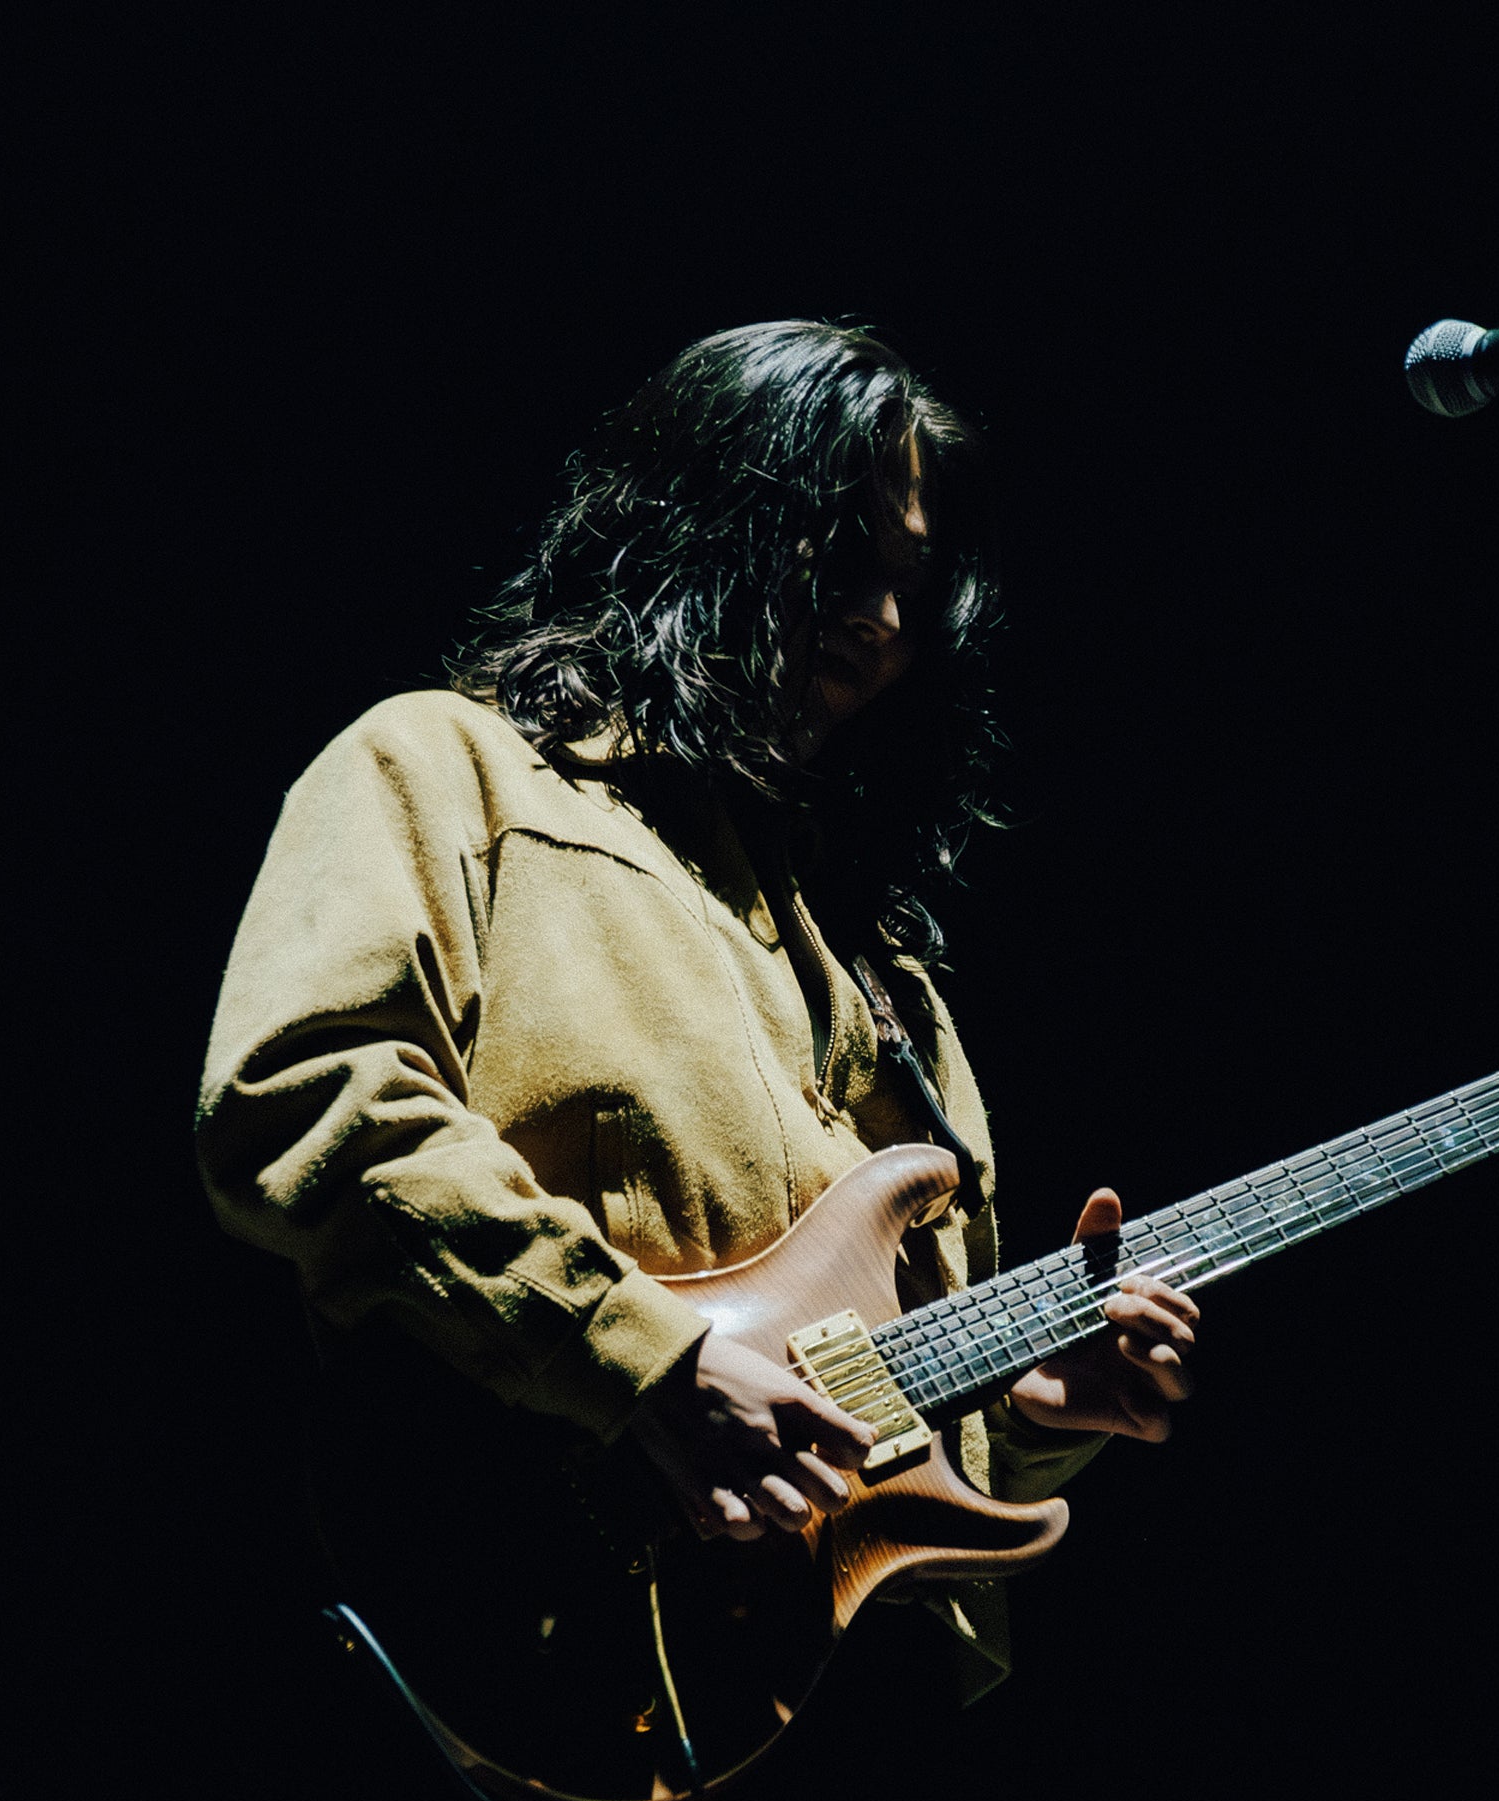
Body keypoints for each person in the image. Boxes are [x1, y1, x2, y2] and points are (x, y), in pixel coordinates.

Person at [195, 320, 1197, 1707]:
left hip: (869, 1691)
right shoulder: (449, 767)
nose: (882, 618)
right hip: (542, 1640)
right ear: (697, 517)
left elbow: (885, 1421)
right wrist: (641, 1361)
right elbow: (305, 1100)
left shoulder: (886, 970)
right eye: (840, 552)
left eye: (914, 585)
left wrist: (1031, 1419)